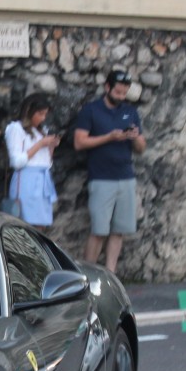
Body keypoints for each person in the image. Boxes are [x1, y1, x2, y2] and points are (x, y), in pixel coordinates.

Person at [73, 70, 147, 273]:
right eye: (118, 92)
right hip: (101, 178)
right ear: (107, 88)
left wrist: (135, 137)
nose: (121, 96)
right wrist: (109, 137)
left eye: (124, 93)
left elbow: (141, 148)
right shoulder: (91, 110)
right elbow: (79, 142)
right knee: (99, 230)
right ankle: (87, 274)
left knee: (119, 231)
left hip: (126, 177)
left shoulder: (130, 112)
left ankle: (110, 275)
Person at [5, 94, 61, 228]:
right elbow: (16, 161)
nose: (43, 118)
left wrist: (51, 146)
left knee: (40, 225)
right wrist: (40, 144)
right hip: (26, 180)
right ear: (29, 111)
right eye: (40, 114)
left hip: (42, 181)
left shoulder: (42, 131)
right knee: (24, 224)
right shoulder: (15, 129)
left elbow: (46, 162)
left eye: (45, 114)